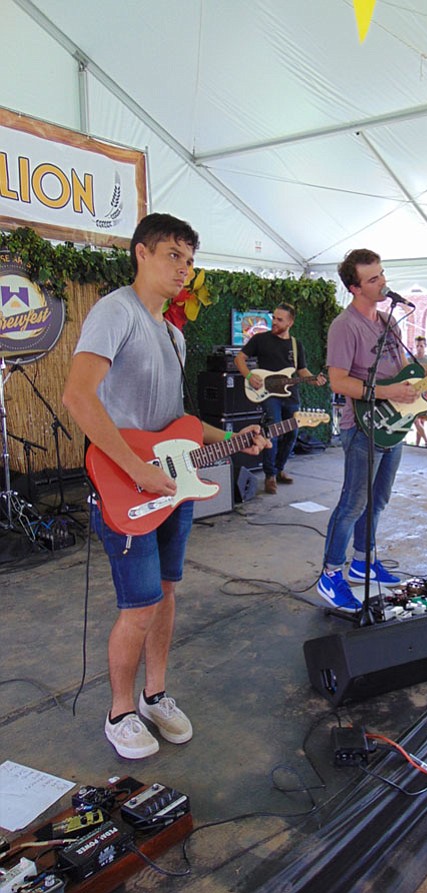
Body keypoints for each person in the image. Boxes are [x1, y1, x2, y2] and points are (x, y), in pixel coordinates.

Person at [62, 213, 269, 759]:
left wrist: (231, 435)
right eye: (173, 255)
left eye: (190, 259)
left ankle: (155, 696)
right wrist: (134, 468)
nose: (185, 268)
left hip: (170, 485)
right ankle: (120, 712)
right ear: (141, 254)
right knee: (139, 603)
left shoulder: (173, 334)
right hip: (127, 484)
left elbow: (176, 421)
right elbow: (78, 398)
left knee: (167, 593)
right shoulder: (115, 312)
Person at [316, 249, 417, 612]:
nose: (382, 283)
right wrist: (389, 392)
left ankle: (362, 561)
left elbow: (407, 372)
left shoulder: (391, 323)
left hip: (393, 424)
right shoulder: (344, 326)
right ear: (353, 288)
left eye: (382, 274)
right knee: (353, 503)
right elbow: (338, 381)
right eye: (373, 279)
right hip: (360, 427)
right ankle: (330, 575)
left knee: (379, 500)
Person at [234, 303, 326, 494]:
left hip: (290, 394)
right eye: (274, 318)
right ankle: (269, 476)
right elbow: (239, 358)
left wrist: (313, 379)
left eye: (279, 319)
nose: (274, 322)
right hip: (269, 395)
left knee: (292, 434)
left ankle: (280, 468)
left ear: (290, 322)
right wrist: (249, 376)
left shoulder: (295, 344)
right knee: (272, 432)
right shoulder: (260, 339)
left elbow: (301, 370)